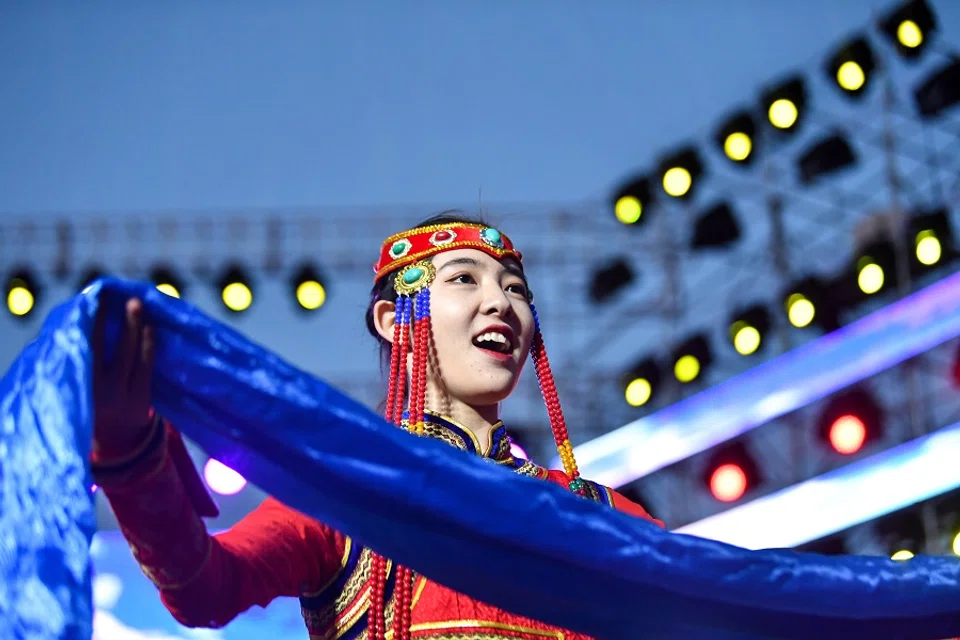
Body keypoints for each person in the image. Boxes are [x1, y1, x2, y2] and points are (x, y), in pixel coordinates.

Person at [91, 212, 662, 640]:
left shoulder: (601, 515)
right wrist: (129, 457)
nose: (501, 302)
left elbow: (718, 602)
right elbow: (203, 588)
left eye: (516, 288)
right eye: (466, 279)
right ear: (394, 319)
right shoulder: (349, 500)